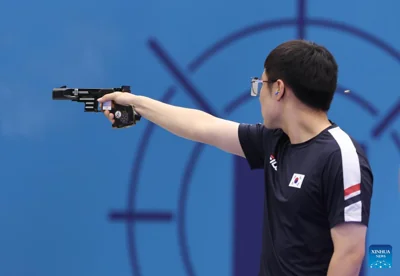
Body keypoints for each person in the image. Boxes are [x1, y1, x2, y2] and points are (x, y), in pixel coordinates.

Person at [98, 40, 373, 276]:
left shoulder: (341, 156)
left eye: (260, 85)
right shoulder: (275, 140)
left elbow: (349, 252)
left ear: (278, 89)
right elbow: (202, 126)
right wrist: (136, 103)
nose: (258, 95)